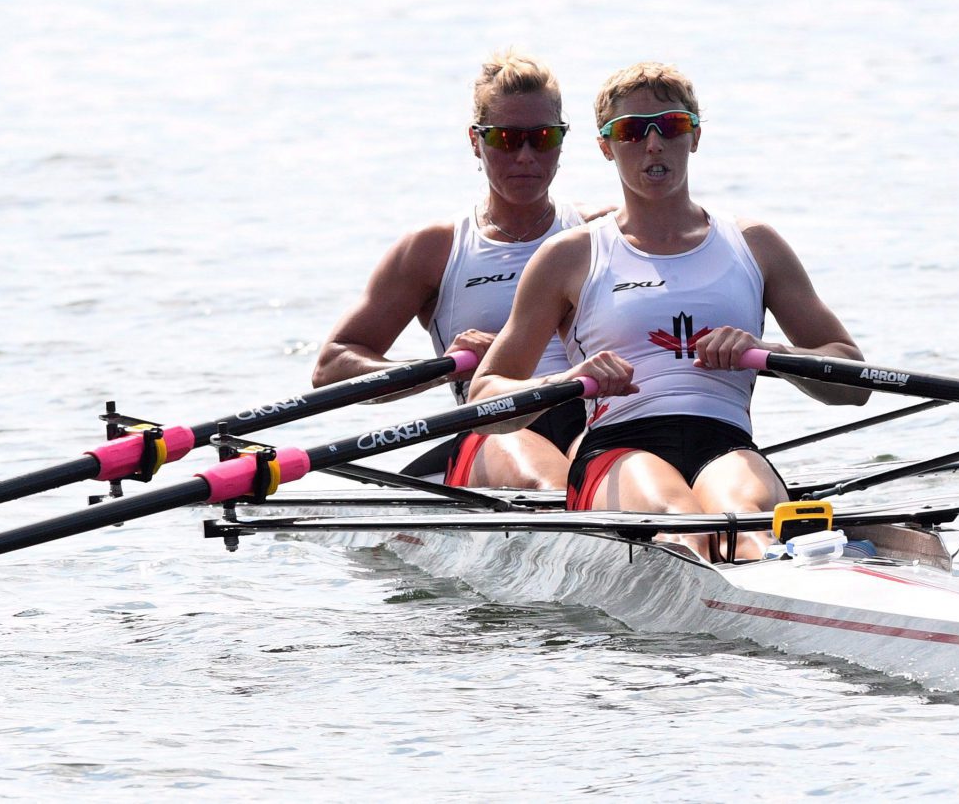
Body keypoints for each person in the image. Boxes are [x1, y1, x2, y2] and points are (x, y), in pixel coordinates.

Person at [468, 61, 867, 559]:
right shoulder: (569, 256)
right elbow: (486, 397)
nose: (653, 144)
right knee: (683, 529)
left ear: (694, 136)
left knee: (749, 534)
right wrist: (571, 379)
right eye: (632, 131)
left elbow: (853, 384)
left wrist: (770, 353)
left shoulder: (755, 244)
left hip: (724, 442)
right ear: (605, 147)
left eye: (671, 127)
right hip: (617, 448)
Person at [312, 50, 612, 489]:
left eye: (542, 137)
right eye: (507, 139)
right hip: (495, 425)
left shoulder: (603, 230)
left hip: (595, 417)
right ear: (476, 141)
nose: (526, 155)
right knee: (555, 479)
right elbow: (332, 366)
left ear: (562, 140)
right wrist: (446, 367)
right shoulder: (434, 249)